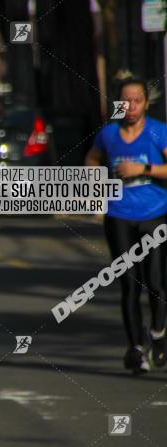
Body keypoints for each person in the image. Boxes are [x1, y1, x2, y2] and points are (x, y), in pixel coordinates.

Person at [85, 74, 167, 374]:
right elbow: (92, 158)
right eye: (125, 101)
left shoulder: (159, 133)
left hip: (155, 215)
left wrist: (142, 168)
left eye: (137, 100)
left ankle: (158, 335)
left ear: (146, 103)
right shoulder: (108, 135)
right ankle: (135, 349)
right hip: (118, 214)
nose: (131, 106)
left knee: (156, 283)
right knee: (129, 285)